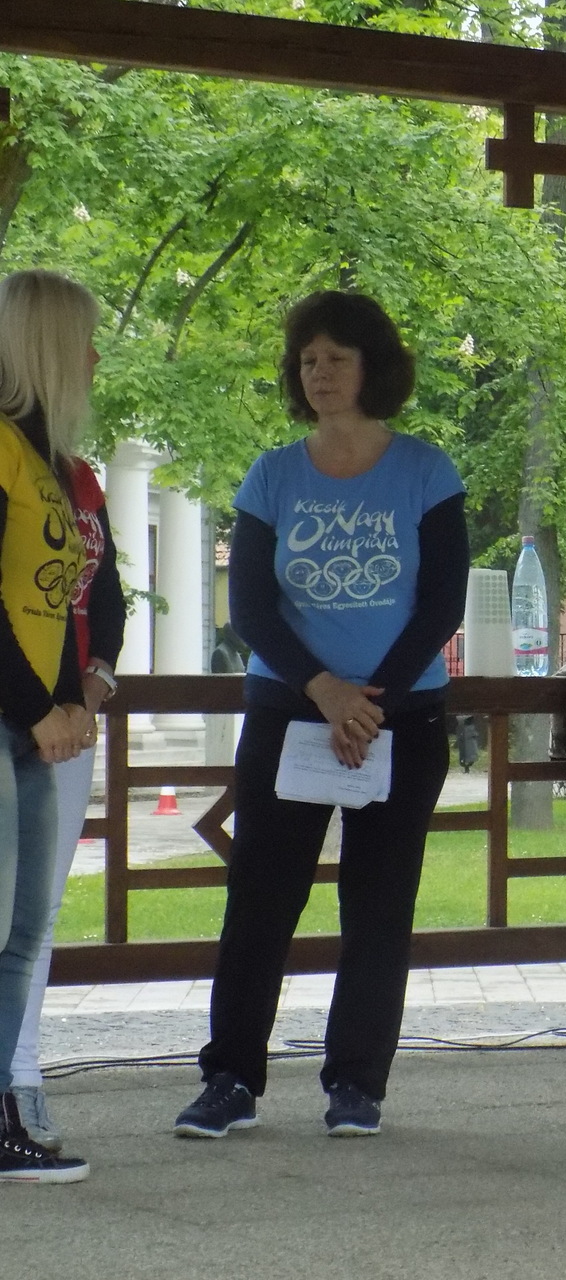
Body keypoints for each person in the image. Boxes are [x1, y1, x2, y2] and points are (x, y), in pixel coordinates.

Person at [173, 292, 468, 1139]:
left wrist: (369, 701)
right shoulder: (272, 475)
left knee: (379, 907)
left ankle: (356, 1085)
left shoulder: (426, 471)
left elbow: (440, 605)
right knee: (260, 903)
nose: (320, 372)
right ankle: (230, 1079)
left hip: (401, 718)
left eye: (337, 357)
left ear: (374, 366)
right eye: (307, 360)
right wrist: (325, 691)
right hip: (290, 713)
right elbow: (251, 610)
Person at [0, 268, 101, 1183]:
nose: (96, 358)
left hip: (36, 727)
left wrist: (72, 699)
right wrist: (37, 710)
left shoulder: (51, 463)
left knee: (24, 931)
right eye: (85, 341)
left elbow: (64, 603)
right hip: (11, 721)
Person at [10, 447, 124, 1154]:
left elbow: (106, 597)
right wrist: (34, 707)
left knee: (38, 910)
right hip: (18, 709)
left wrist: (91, 691)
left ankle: (21, 1075)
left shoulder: (81, 476)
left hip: (68, 718)